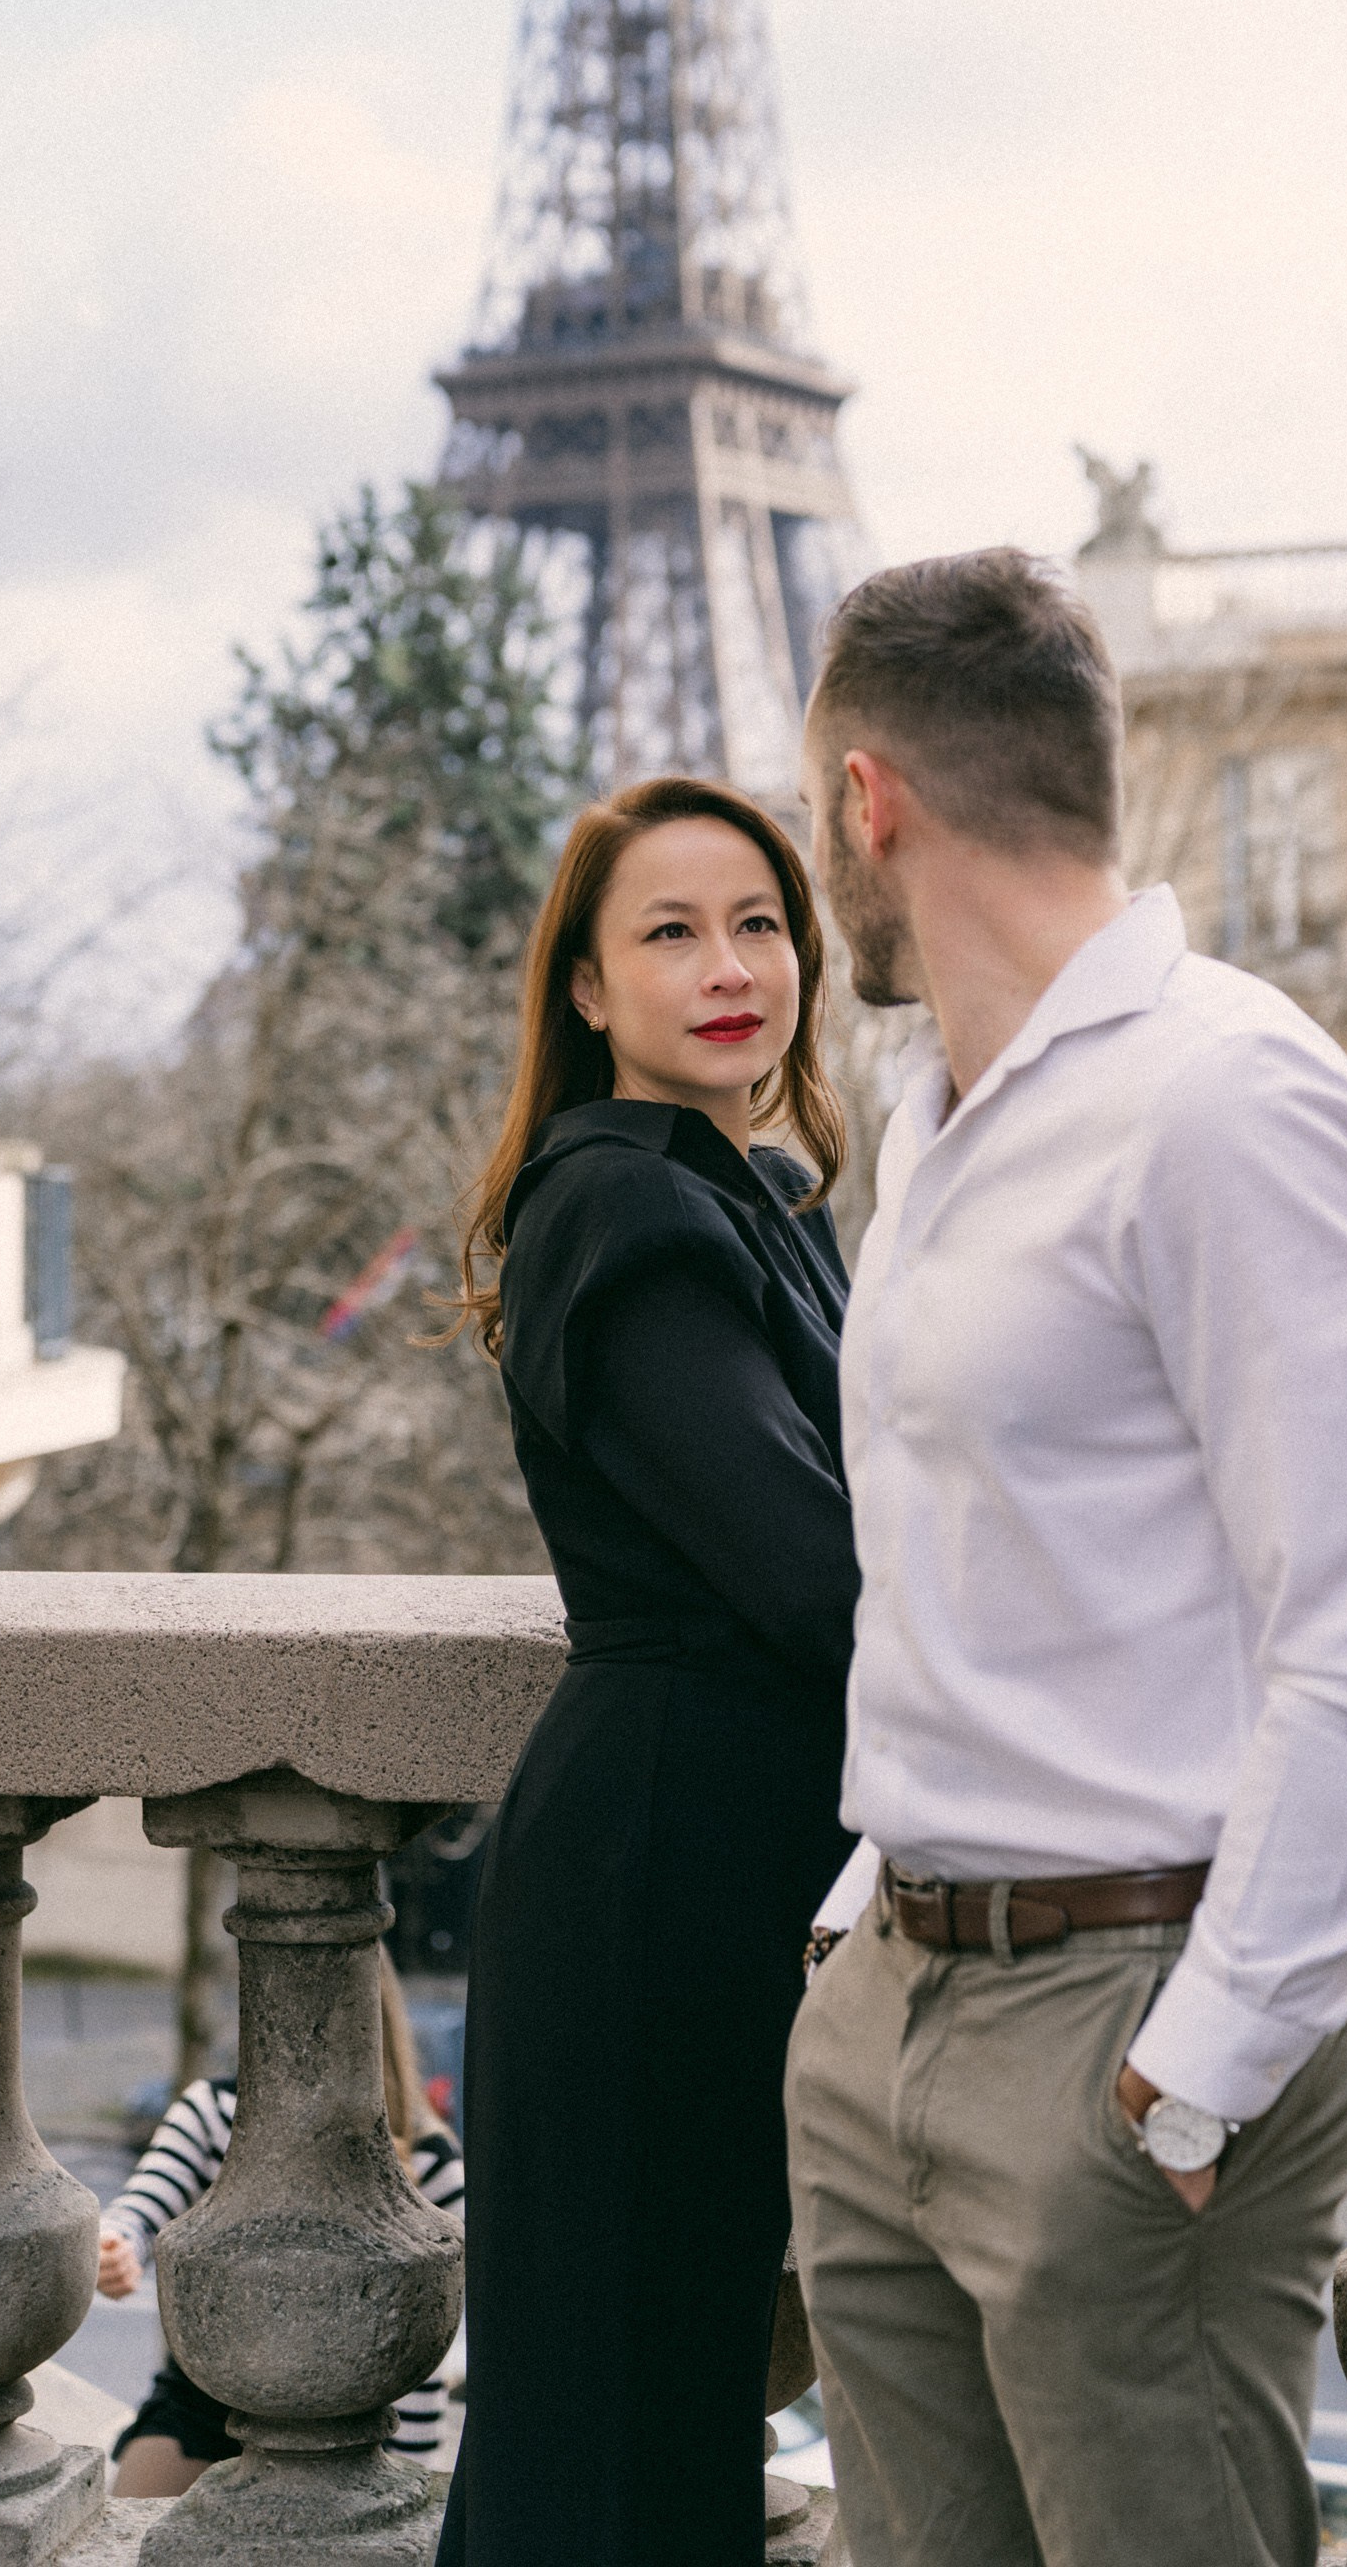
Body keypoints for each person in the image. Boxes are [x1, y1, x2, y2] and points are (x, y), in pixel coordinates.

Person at [784, 551, 1347, 2567]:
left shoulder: (1226, 1100)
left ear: (867, 805)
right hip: (896, 2004)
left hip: (1126, 2030)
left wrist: (1195, 2077)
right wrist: (860, 1928)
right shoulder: (937, 1117)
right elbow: (967, 1567)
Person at [432, 772, 859, 2567]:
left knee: (657, 2415)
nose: (729, 963)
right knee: (612, 2443)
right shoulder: (628, 1207)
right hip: (652, 1882)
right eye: (669, 932)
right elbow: (815, 1572)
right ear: (587, 991)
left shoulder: (742, 1195)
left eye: (758, 920)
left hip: (695, 1859)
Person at [100, 1955, 463, 2492]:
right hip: (204, 2407)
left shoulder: (428, 2160)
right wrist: (115, 2245)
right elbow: (141, 2205)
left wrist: (406, 2476)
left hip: (355, 2432)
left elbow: (427, 2351)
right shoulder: (212, 2112)